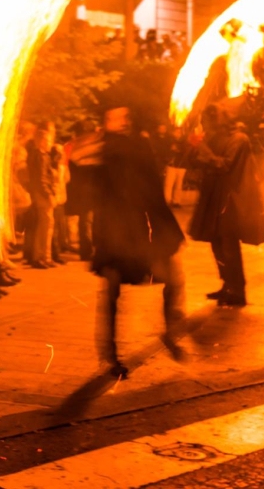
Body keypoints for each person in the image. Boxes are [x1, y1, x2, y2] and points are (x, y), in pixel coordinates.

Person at [92, 107, 187, 378]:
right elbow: (89, 188)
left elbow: (153, 187)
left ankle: (170, 333)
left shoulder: (139, 146)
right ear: (106, 122)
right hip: (113, 232)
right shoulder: (103, 150)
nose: (123, 122)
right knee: (111, 293)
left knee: (173, 279)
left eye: (126, 117)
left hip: (142, 228)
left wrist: (168, 229)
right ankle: (109, 356)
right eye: (115, 118)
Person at [189, 101, 264, 306]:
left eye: (207, 122)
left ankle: (238, 290)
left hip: (232, 199)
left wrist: (204, 150)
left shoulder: (239, 139)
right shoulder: (214, 138)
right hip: (215, 196)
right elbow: (198, 162)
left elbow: (224, 164)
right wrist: (193, 148)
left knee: (228, 244)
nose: (204, 126)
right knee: (216, 242)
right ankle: (227, 284)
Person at [67, 119, 102, 261]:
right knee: (88, 221)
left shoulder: (76, 147)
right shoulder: (87, 149)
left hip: (83, 190)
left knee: (87, 221)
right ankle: (87, 250)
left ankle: (87, 249)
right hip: (89, 190)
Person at [27, 127, 56, 269]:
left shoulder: (43, 155)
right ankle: (40, 257)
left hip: (42, 193)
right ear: (43, 141)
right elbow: (41, 178)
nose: (51, 143)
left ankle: (45, 256)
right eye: (49, 140)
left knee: (47, 225)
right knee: (45, 226)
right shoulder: (40, 156)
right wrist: (48, 194)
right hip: (42, 194)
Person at [164, 127, 190, 207]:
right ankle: (167, 201)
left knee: (178, 185)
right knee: (168, 184)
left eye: (179, 132)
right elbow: (164, 150)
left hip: (181, 166)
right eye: (176, 132)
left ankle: (176, 202)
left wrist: (178, 148)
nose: (177, 133)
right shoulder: (169, 140)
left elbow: (187, 151)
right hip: (171, 165)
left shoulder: (185, 141)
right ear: (173, 132)